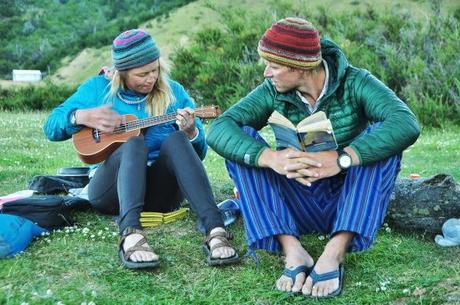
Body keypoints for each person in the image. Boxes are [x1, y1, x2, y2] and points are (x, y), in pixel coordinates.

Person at [207, 17, 420, 297]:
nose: (266, 74)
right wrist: (270, 157)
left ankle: (334, 252)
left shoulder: (355, 82)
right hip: (294, 204)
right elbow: (220, 128)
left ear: (300, 68)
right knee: (242, 142)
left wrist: (344, 157)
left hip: (346, 201)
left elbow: (406, 123)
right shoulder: (272, 91)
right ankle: (293, 251)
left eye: (274, 66)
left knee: (382, 140)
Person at [44, 29, 239, 269]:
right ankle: (130, 234)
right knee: (134, 143)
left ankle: (215, 229)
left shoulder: (174, 93)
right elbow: (51, 127)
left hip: (160, 194)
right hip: (111, 192)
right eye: (142, 74)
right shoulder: (97, 89)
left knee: (177, 140)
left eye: (155, 70)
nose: (151, 78)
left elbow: (195, 157)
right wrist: (80, 116)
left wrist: (192, 134)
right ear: (121, 73)